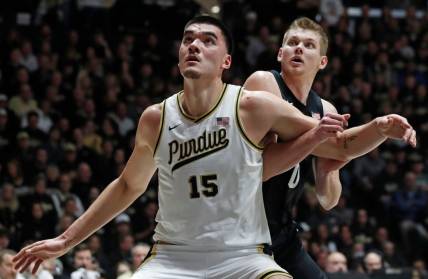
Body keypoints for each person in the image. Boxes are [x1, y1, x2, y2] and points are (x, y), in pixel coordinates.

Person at [13, 15, 415, 279]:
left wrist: (380, 127)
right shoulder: (157, 117)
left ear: (226, 60)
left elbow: (340, 150)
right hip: (173, 255)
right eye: (188, 39)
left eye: (207, 40)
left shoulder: (254, 105)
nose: (194, 45)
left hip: (244, 253)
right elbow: (126, 186)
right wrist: (65, 241)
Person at [244, 17, 416, 279]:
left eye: (309, 45)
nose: (299, 48)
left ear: (322, 61)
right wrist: (362, 137)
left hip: (281, 232)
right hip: (242, 230)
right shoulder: (264, 83)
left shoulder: (326, 110)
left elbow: (328, 199)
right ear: (280, 53)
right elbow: (262, 169)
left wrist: (330, 167)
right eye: (292, 43)